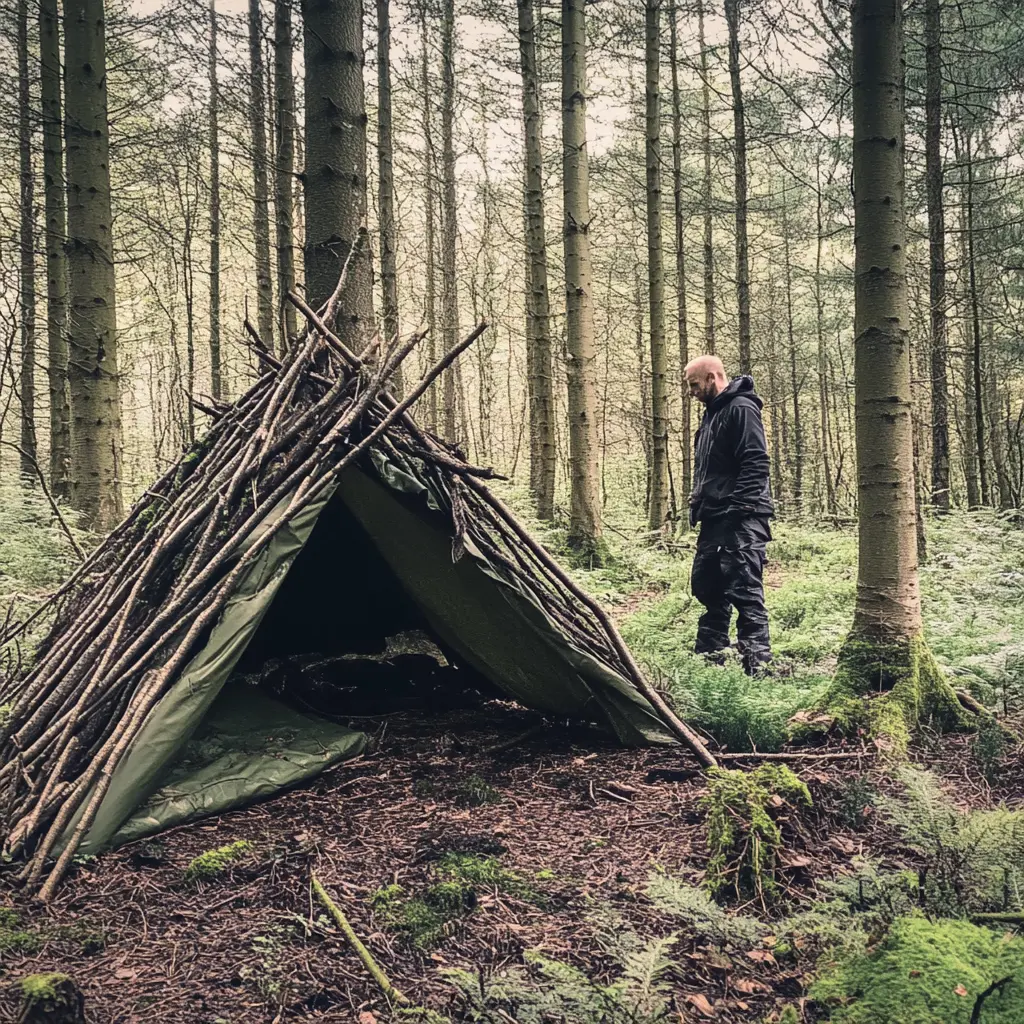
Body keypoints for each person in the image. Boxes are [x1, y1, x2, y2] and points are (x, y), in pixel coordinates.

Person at [684, 355, 774, 675]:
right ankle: (709, 665)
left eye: (694, 384)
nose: (691, 391)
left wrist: (739, 510)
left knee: (745, 591)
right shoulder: (711, 417)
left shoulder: (742, 409)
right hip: (714, 517)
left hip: (741, 518)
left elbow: (756, 462)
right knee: (708, 588)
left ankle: (758, 672)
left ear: (712, 378)